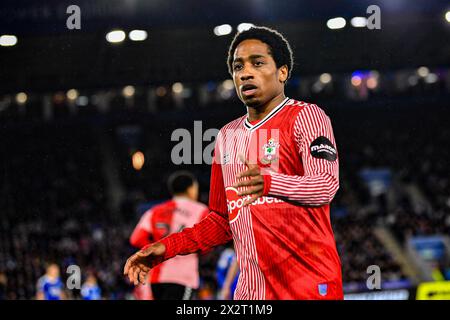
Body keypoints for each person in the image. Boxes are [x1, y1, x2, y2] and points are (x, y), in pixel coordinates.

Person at [124, 26, 343, 300]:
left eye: (258, 63)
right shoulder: (227, 137)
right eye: (238, 66)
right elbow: (220, 220)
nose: (245, 73)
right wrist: (166, 248)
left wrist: (269, 182)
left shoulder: (307, 116)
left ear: (283, 72)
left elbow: (325, 185)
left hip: (309, 288)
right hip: (251, 294)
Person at [129, 171, 209, 300]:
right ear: (191, 189)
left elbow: (136, 238)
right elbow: (207, 243)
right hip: (183, 276)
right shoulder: (201, 210)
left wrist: (156, 251)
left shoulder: (155, 211)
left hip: (158, 277)